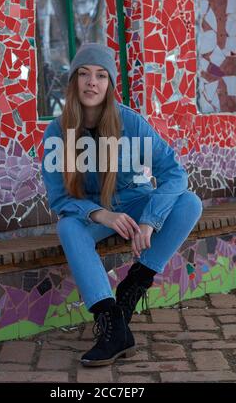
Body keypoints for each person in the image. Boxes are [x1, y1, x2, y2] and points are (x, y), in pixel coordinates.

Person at [41, 43, 202, 367]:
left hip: (135, 202)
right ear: (73, 81)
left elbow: (174, 174)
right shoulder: (56, 133)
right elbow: (59, 198)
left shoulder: (130, 123)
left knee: (190, 203)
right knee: (68, 226)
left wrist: (150, 220)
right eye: (84, 74)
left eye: (101, 75)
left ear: (110, 84)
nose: (92, 82)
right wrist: (101, 214)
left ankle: (132, 288)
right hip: (94, 213)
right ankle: (111, 322)